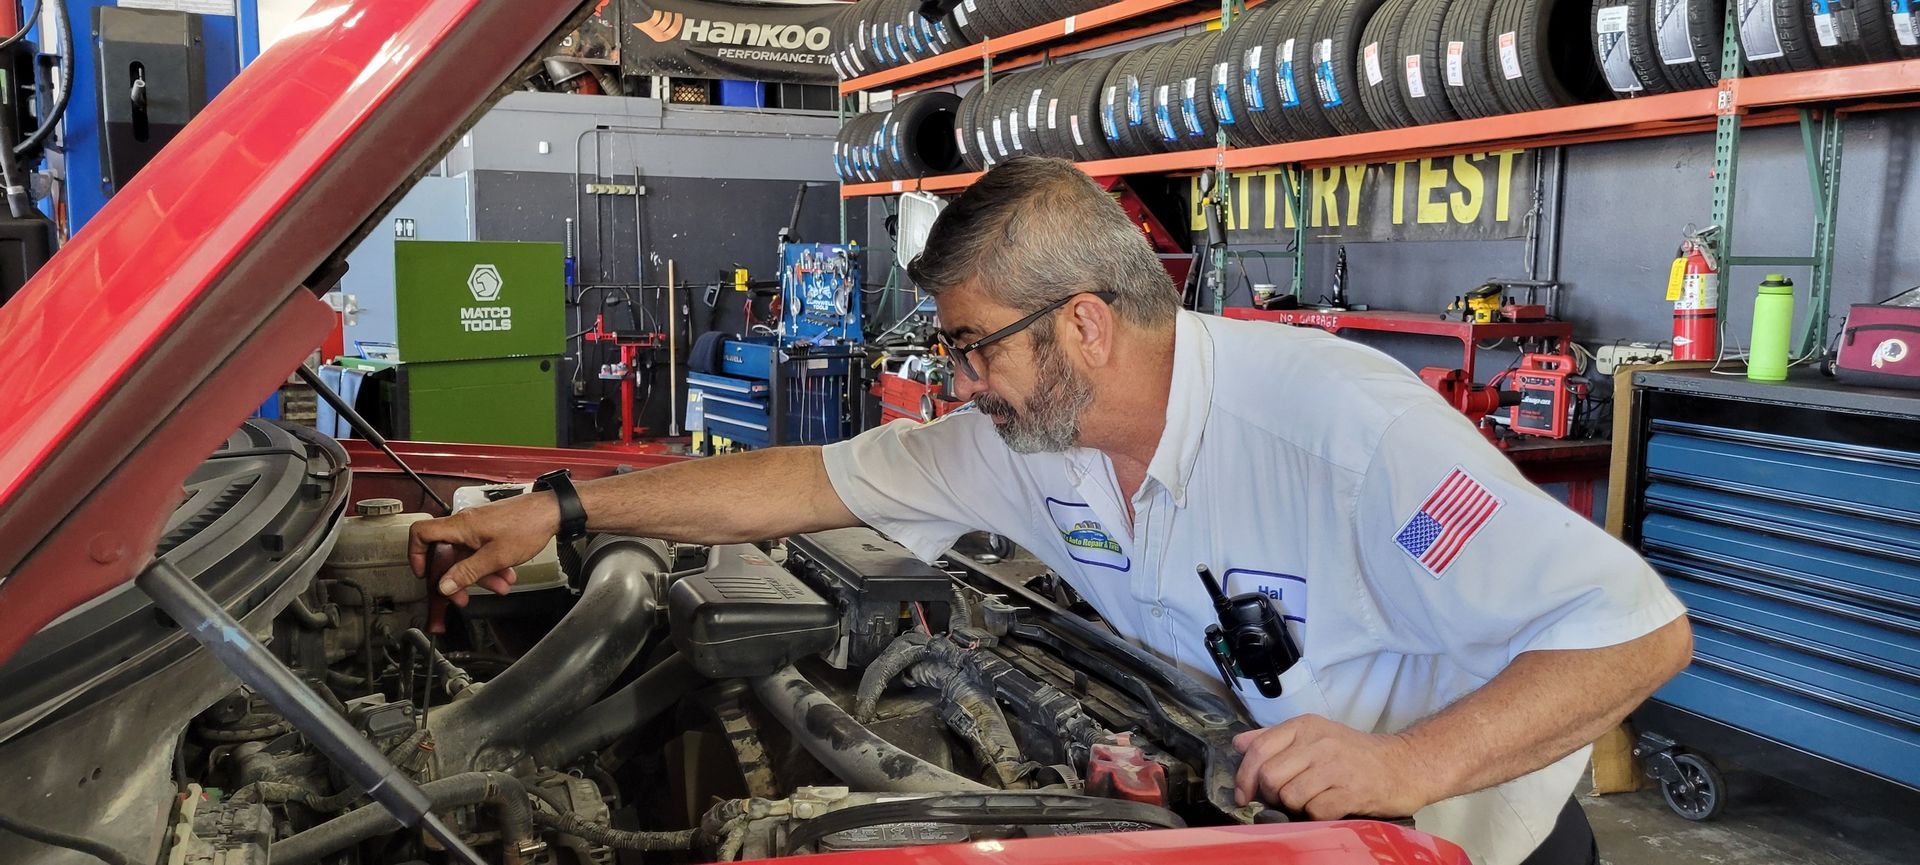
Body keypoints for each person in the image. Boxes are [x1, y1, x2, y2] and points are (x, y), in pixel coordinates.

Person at [410, 156, 1692, 865]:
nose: (957, 382)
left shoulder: (1344, 431)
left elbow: (1636, 632)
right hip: (1292, 806)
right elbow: (802, 482)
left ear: (1083, 320)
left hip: (1463, 836)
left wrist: (1409, 763)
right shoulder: (1031, 444)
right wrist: (559, 508)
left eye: (973, 348)